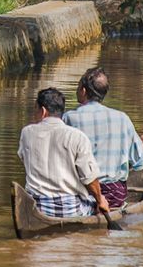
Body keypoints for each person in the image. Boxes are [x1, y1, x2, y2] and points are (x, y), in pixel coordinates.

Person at [63, 67, 143, 209]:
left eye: (78, 86)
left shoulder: (68, 118)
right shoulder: (122, 118)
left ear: (84, 91)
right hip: (113, 194)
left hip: (79, 191)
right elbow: (140, 163)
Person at [18, 87, 110, 218]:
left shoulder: (27, 133)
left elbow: (24, 159)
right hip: (71, 209)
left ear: (43, 111)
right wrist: (100, 201)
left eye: (35, 109)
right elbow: (90, 179)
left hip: (37, 206)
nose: (35, 114)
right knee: (94, 202)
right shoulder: (77, 136)